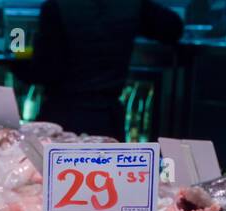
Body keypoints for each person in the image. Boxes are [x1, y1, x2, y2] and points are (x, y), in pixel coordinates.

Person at [11, 0, 183, 139]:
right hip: (107, 119)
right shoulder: (130, 5)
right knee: (109, 178)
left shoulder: (56, 7)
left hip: (61, 116)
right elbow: (174, 28)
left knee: (51, 177)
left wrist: (16, 56)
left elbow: (44, 71)